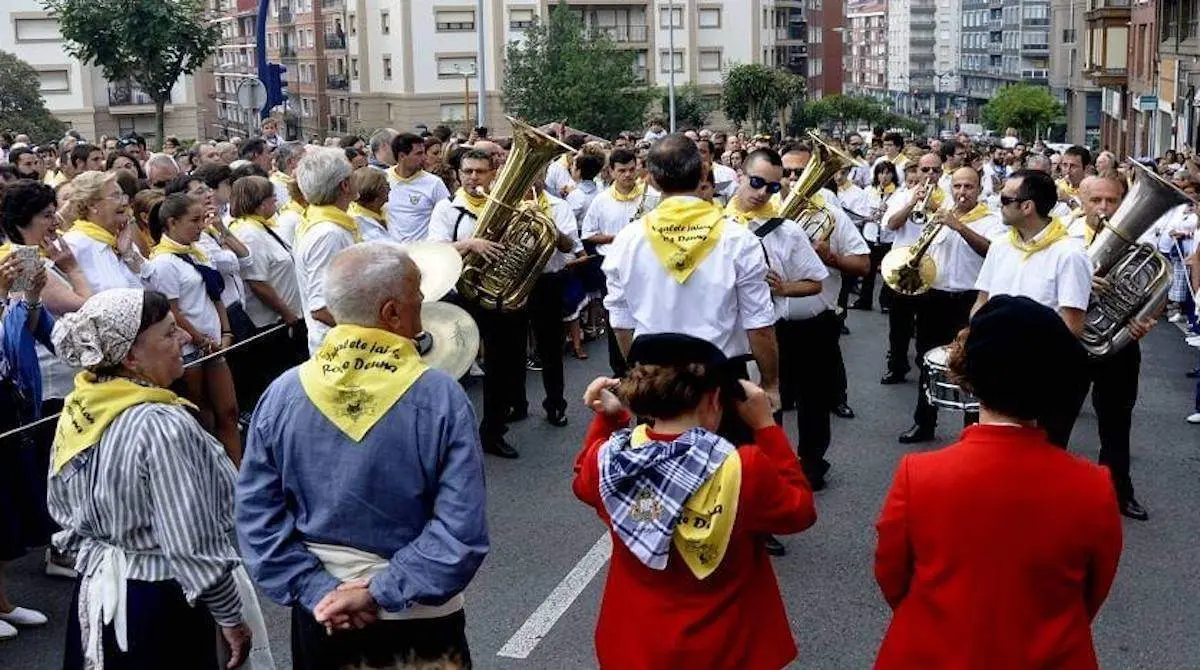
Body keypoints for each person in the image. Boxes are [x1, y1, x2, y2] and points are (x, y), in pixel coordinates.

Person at [237, 242, 488, 670]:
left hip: (324, 619)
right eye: (417, 300)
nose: (423, 307)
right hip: (419, 621)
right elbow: (460, 529)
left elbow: (257, 519)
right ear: (391, 313)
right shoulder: (440, 396)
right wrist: (376, 591)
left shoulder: (282, 393)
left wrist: (318, 590)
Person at [874, 295, 1122, 669]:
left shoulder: (919, 474)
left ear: (970, 376)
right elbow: (1092, 591)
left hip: (932, 651)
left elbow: (894, 578)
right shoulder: (1093, 485)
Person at [572, 333, 816, 669]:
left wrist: (609, 419)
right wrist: (765, 426)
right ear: (714, 399)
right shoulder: (744, 467)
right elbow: (799, 511)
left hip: (635, 646)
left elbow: (584, 480)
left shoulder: (607, 460)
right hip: (727, 648)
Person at [48, 289, 253, 669]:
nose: (185, 339)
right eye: (170, 332)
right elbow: (190, 540)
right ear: (131, 356)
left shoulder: (82, 407)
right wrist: (229, 614)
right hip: (159, 599)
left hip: (98, 590)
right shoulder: (160, 424)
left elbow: (61, 508)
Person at [603, 134, 782, 424]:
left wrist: (639, 376)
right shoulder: (739, 238)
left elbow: (622, 324)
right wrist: (771, 384)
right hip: (720, 383)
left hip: (655, 383)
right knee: (729, 468)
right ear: (702, 173)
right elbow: (759, 325)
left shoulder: (626, 240)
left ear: (651, 180)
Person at [973, 169, 1092, 446]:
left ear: (1027, 206)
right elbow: (981, 302)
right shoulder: (1001, 245)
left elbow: (1072, 326)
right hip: (997, 367)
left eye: (1005, 198)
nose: (997, 202)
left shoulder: (1070, 253)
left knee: (1043, 456)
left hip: (1045, 374)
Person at [1066, 175, 1158, 520]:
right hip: (1072, 341)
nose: (1104, 207)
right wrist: (1080, 280)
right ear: (1082, 199)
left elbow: (1154, 289)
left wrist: (1144, 319)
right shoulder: (1063, 235)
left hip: (1118, 343)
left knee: (1117, 422)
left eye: (1112, 201)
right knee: (1058, 419)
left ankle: (1119, 490)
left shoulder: (1141, 238)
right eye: (1096, 200)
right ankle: (1045, 489)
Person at [427, 147, 521, 458]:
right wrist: (471, 244)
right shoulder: (446, 209)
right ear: (458, 174)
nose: (473, 177)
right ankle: (448, 433)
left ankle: (492, 432)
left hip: (494, 296)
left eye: (480, 172)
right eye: (467, 172)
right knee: (453, 366)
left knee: (500, 366)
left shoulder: (505, 205)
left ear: (493, 174)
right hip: (458, 294)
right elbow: (436, 251)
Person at [900, 167, 1003, 444]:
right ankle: (924, 423)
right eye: (957, 186)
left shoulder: (991, 220)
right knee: (926, 361)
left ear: (980, 190)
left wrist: (959, 227)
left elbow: (992, 251)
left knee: (970, 366)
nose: (962, 192)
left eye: (968, 186)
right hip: (934, 297)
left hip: (970, 301)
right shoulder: (939, 216)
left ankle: (972, 431)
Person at [146, 193, 242, 464]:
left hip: (213, 343)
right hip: (190, 349)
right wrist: (200, 340)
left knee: (229, 411)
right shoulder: (163, 262)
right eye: (194, 220)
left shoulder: (197, 252)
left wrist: (225, 332)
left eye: (202, 219)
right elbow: (172, 311)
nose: (201, 226)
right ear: (172, 223)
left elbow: (215, 295)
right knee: (204, 415)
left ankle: (238, 469)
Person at [0, 244, 52, 641]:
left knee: (7, 504)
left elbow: (23, 334)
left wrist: (29, 297)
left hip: (9, 403)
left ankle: (1, 600)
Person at [228, 175, 305, 402]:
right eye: (273, 199)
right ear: (260, 203)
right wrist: (286, 312)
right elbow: (257, 282)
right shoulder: (249, 232)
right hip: (272, 324)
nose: (276, 203)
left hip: (284, 320)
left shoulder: (261, 227)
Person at [582, 148, 647, 378]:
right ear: (611, 171)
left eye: (632, 169)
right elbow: (589, 234)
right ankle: (620, 369)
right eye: (622, 171)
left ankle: (645, 367)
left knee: (644, 317)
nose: (628, 175)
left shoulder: (648, 197)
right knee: (617, 318)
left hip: (643, 265)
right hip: (613, 265)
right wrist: (617, 238)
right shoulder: (601, 201)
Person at [881, 153, 944, 384]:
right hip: (903, 268)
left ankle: (925, 368)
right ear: (917, 171)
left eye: (934, 171)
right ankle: (897, 366)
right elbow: (890, 225)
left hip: (932, 271)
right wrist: (911, 204)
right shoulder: (902, 195)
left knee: (927, 329)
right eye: (924, 170)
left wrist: (936, 208)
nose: (929, 175)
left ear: (941, 172)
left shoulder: (947, 197)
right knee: (899, 326)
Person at [293, 147, 361, 353]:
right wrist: (374, 332)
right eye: (353, 174)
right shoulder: (328, 234)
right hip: (340, 348)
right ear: (345, 185)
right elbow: (321, 308)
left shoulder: (321, 221)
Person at [60, 171, 148, 293]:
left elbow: (153, 283)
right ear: (92, 205)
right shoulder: (73, 245)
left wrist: (129, 255)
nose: (124, 202)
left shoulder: (120, 239)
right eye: (115, 196)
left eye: (123, 195)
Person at [853, 160, 900, 311]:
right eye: (881, 173)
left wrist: (886, 212)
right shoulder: (868, 191)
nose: (884, 176)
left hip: (888, 236)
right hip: (871, 234)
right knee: (868, 271)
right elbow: (860, 212)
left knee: (888, 271)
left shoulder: (898, 192)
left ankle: (885, 302)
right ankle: (864, 301)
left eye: (888, 173)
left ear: (893, 175)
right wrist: (870, 216)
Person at [385, 133, 450, 242]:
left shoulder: (434, 183)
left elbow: (448, 215)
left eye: (424, 153)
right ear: (402, 156)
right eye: (419, 154)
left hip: (422, 254)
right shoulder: (383, 179)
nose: (424, 158)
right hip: (392, 253)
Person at [349, 167, 391, 241]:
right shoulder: (357, 224)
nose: (389, 189)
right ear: (375, 200)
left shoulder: (383, 210)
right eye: (385, 187)